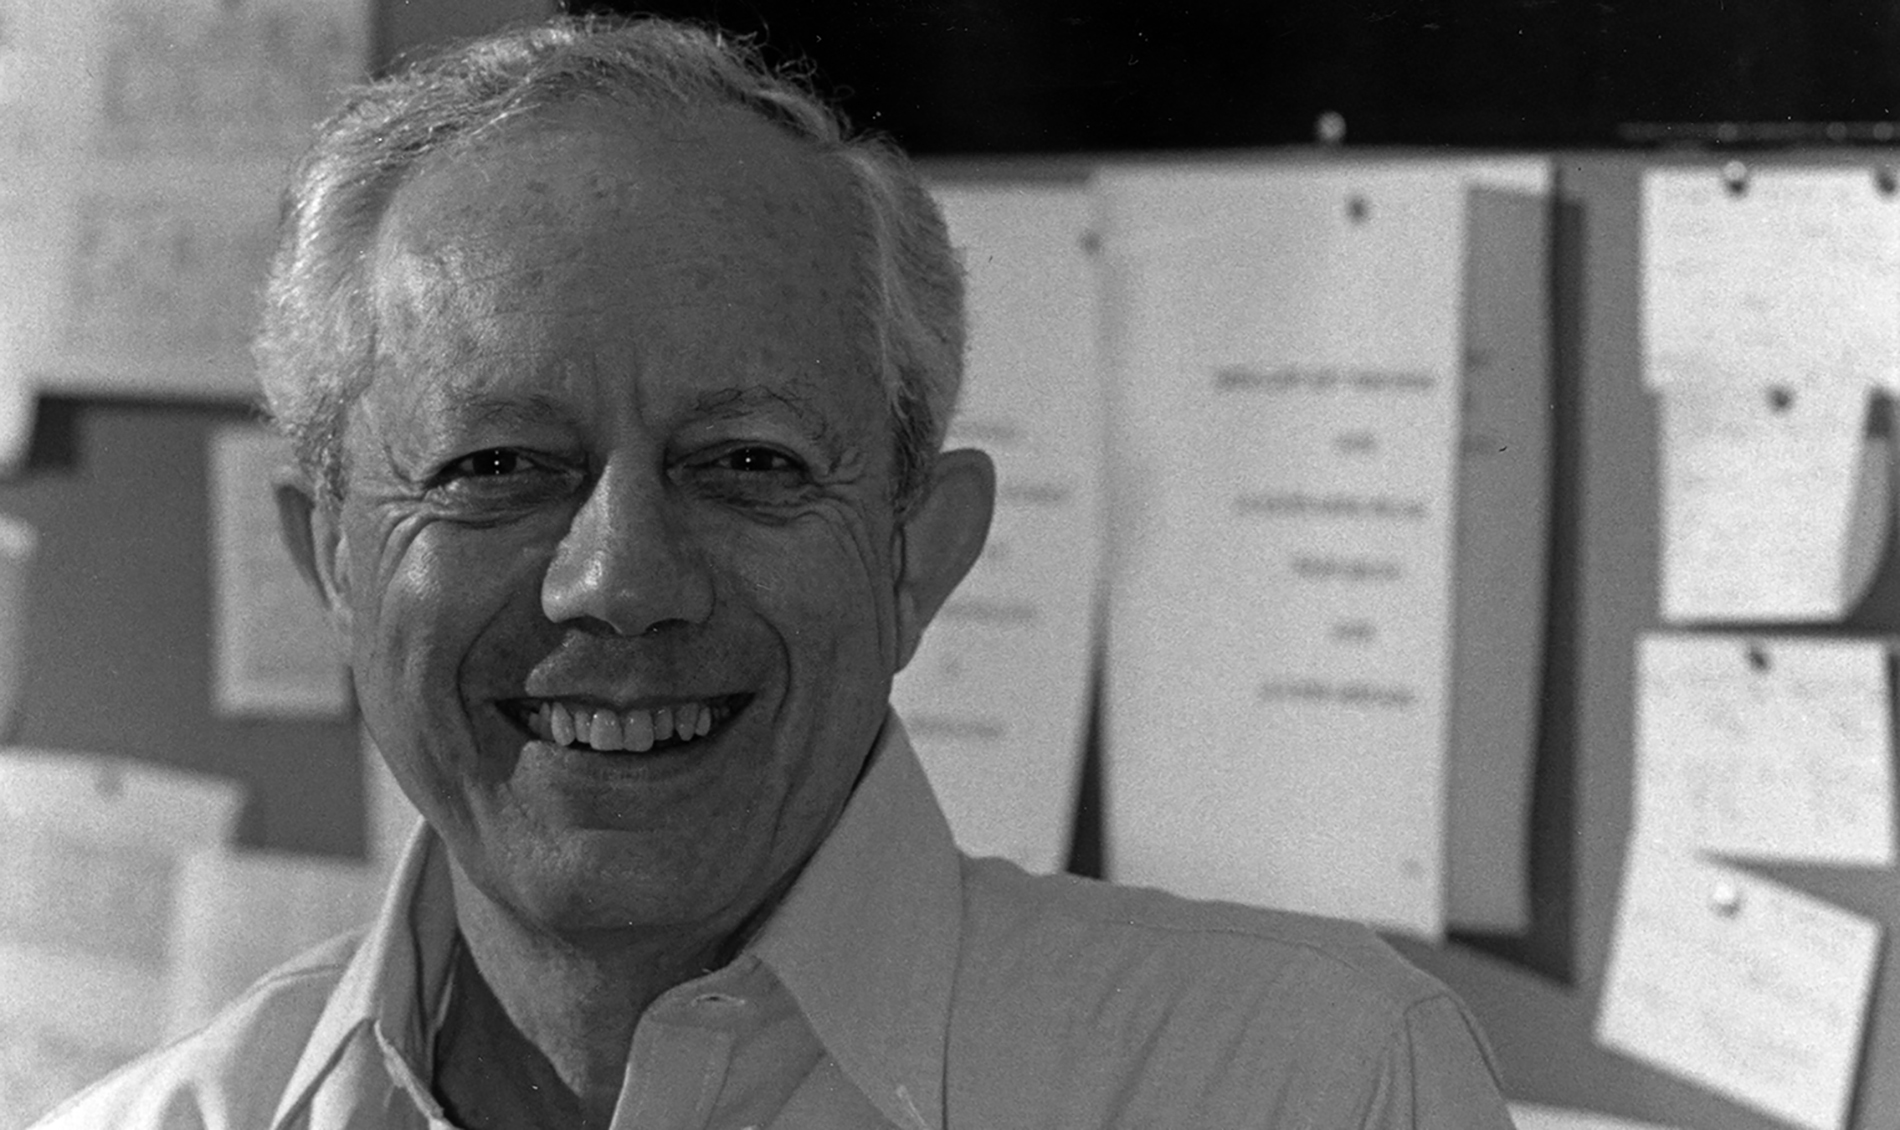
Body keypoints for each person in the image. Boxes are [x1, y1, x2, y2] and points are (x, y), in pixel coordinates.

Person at [42, 15, 1513, 1129]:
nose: (620, 579)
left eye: (747, 462)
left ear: (917, 554)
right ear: (334, 563)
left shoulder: (1304, 1087)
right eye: (496, 467)